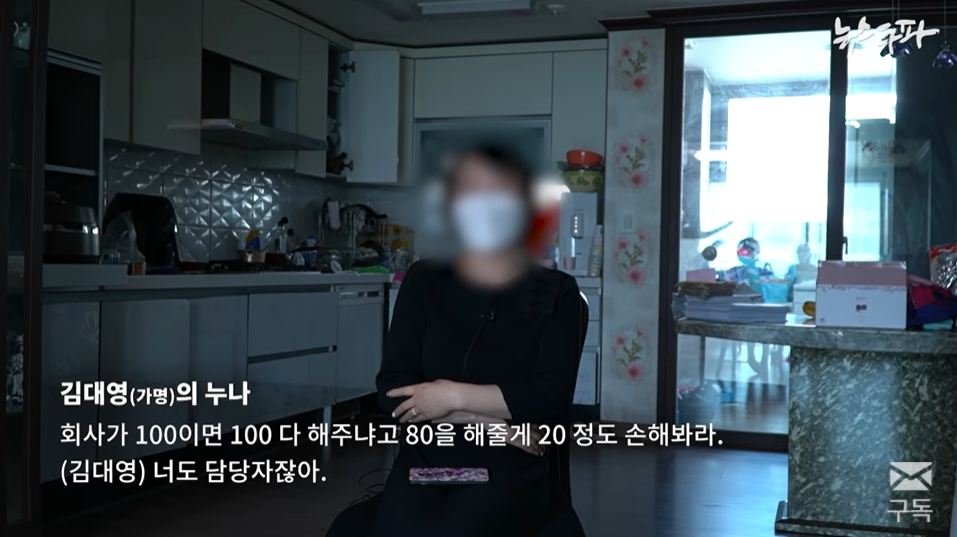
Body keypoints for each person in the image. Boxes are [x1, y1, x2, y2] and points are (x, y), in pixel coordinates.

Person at [367, 145, 586, 537]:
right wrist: (492, 425)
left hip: (513, 461)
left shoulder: (558, 292)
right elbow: (392, 391)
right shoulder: (423, 280)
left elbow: (549, 400)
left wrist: (451, 396)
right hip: (435, 451)